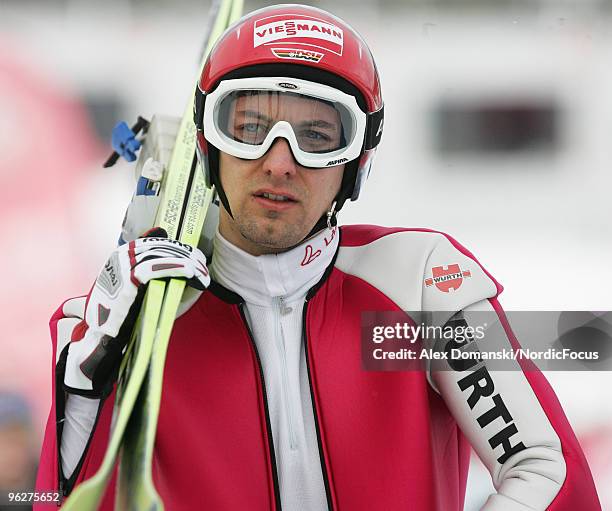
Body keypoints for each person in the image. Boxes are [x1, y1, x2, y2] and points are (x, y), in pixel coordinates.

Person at [35, 4, 601, 510]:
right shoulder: (125, 315)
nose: (280, 162)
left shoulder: (418, 284)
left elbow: (546, 468)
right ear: (207, 145)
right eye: (250, 127)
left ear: (357, 162)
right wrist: (85, 386)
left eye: (318, 136)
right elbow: (46, 499)